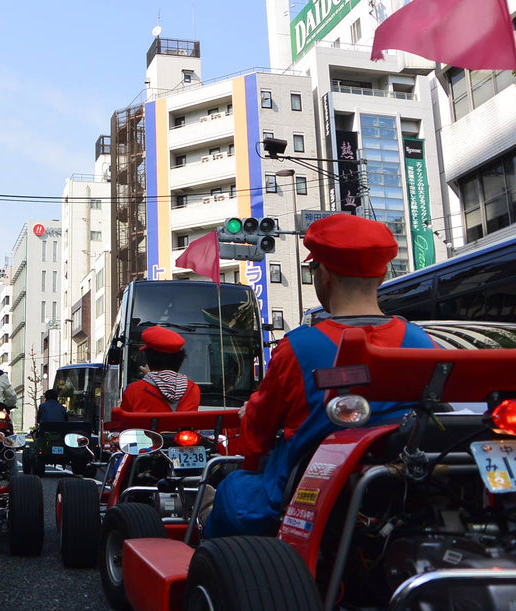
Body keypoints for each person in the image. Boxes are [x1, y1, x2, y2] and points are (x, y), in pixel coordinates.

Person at [203, 213, 436, 538]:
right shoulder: (421, 342)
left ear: (323, 274)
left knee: (233, 490)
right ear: (381, 277)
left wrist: (248, 422)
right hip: (404, 493)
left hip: (308, 495)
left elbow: (258, 436)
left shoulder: (298, 348)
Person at [120, 326, 201, 412]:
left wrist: (150, 377)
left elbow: (124, 423)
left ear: (148, 359)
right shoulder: (193, 390)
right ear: (180, 360)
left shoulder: (134, 391)